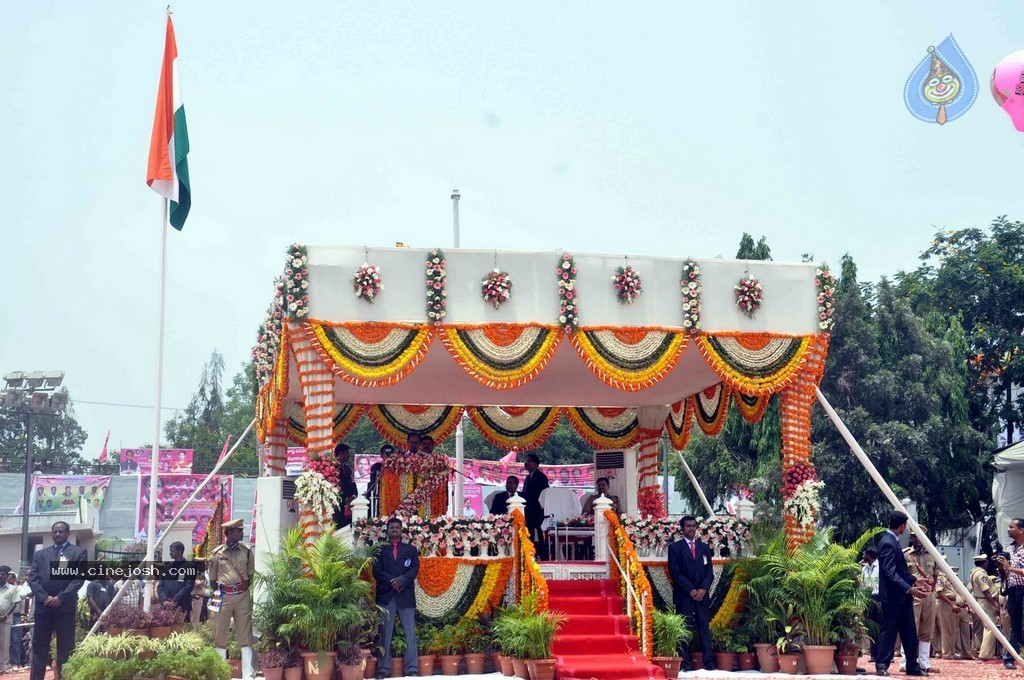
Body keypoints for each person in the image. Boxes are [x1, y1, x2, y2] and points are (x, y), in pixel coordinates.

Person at [28, 521, 87, 680]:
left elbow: (78, 579)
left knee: (66, 648)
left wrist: (60, 598)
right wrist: (45, 597)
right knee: (39, 647)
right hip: (43, 608)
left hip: (65, 607)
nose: (57, 535)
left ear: (68, 533)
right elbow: (32, 579)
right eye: (55, 532)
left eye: (61, 532)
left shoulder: (78, 553)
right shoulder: (40, 554)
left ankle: (64, 678)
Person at [875, 511, 928, 677]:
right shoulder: (887, 543)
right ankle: (882, 664)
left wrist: (914, 581)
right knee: (889, 632)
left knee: (909, 633)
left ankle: (912, 665)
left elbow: (901, 570)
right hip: (893, 598)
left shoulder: (894, 541)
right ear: (902, 526)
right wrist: (909, 588)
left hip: (903, 597)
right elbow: (890, 572)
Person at [208, 518, 255, 680]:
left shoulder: (247, 551)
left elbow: (250, 576)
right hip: (223, 596)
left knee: (246, 634)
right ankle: (220, 674)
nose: (242, 533)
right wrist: (225, 590)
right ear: (230, 533)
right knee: (220, 634)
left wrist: (239, 589)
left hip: (242, 596)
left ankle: (248, 674)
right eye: (239, 530)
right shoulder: (217, 554)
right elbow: (212, 580)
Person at [373, 517, 419, 679]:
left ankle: (412, 669)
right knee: (385, 633)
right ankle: (383, 670)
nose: (394, 529)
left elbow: (414, 570)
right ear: (387, 530)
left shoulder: (410, 550)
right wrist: (391, 581)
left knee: (409, 634)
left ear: (401, 530)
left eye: (397, 527)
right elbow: (376, 571)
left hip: (405, 595)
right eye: (391, 527)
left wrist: (401, 581)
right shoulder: (380, 549)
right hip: (386, 596)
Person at [668, 516, 715, 671]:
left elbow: (710, 573)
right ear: (682, 528)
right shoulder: (675, 548)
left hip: (702, 595)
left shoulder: (704, 548)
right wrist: (691, 590)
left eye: (694, 526)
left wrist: (703, 589)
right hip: (685, 596)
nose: (691, 528)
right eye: (688, 526)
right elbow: (675, 573)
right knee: (685, 629)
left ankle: (709, 662)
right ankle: (685, 663)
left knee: (704, 628)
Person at [902, 527, 938, 672]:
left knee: (927, 629)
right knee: (910, 628)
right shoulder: (906, 555)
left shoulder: (933, 554)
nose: (915, 539)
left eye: (918, 536)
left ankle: (924, 662)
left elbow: (936, 575)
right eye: (913, 536)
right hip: (913, 596)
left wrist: (932, 590)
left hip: (929, 596)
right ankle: (905, 662)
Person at [997, 517, 1024, 669]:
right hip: (1013, 590)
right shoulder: (1008, 549)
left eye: (1011, 527)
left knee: (1022, 625)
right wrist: (1002, 568)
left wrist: (1009, 567)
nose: (1008, 529)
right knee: (1015, 624)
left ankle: (1013, 655)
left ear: (1021, 530)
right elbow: (1005, 573)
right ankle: (1009, 657)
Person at [970, 554, 1000, 660]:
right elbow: (986, 591)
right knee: (990, 628)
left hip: (980, 600)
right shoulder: (981, 574)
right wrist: (995, 604)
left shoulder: (973, 573)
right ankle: (985, 654)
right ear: (983, 563)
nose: (987, 563)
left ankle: (984, 652)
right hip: (985, 601)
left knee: (985, 628)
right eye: (986, 562)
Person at [521, 453, 550, 561]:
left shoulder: (541, 477)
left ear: (535, 464)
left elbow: (545, 494)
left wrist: (543, 509)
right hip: (528, 510)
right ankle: (530, 554)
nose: (526, 463)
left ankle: (543, 556)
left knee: (540, 533)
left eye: (529, 461)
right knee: (530, 533)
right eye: (526, 461)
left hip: (538, 510)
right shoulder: (528, 477)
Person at [157, 541, 196, 620]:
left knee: (182, 630)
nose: (170, 553)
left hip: (182, 605)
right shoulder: (167, 567)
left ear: (180, 551)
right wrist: (164, 600)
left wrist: (174, 601)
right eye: (170, 551)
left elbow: (188, 586)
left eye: (172, 551)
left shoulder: (190, 566)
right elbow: (160, 585)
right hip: (166, 606)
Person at [860, 547, 880, 661]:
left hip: (878, 598)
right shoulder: (864, 569)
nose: (863, 557)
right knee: (871, 628)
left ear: (869, 555)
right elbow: (863, 584)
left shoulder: (880, 567)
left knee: (880, 628)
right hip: (868, 599)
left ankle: (884, 654)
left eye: (864, 555)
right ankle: (874, 655)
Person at [332, 443, 358, 529]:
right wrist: (344, 499)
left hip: (348, 506)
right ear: (341, 453)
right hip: (336, 506)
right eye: (347, 452)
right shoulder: (331, 468)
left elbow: (353, 484)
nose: (349, 455)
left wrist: (353, 496)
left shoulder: (347, 469)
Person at [0, 566, 17, 674]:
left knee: (5, 644)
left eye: (3, 574)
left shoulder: (12, 588)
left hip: (5, 620)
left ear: (7, 576)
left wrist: (6, 615)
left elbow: (15, 603)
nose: (0, 576)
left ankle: (4, 666)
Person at [8, 574, 24, 671]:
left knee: (15, 640)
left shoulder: (19, 589)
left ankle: (16, 662)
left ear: (14, 579)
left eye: (9, 578)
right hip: (4, 616)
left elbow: (23, 595)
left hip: (15, 616)